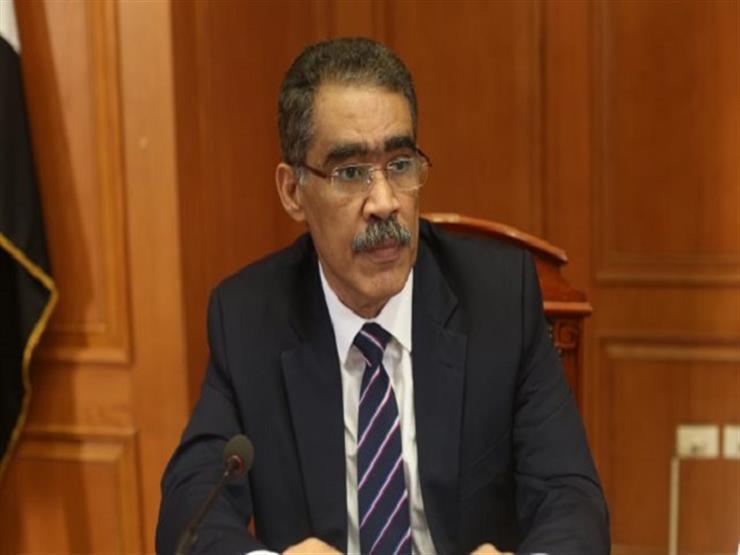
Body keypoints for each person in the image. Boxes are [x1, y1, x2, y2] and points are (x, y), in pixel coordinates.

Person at [156, 37, 609, 555]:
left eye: (400, 164)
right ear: (293, 191)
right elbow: (189, 510)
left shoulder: (499, 299)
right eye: (351, 173)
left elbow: (573, 500)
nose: (385, 202)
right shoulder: (248, 318)